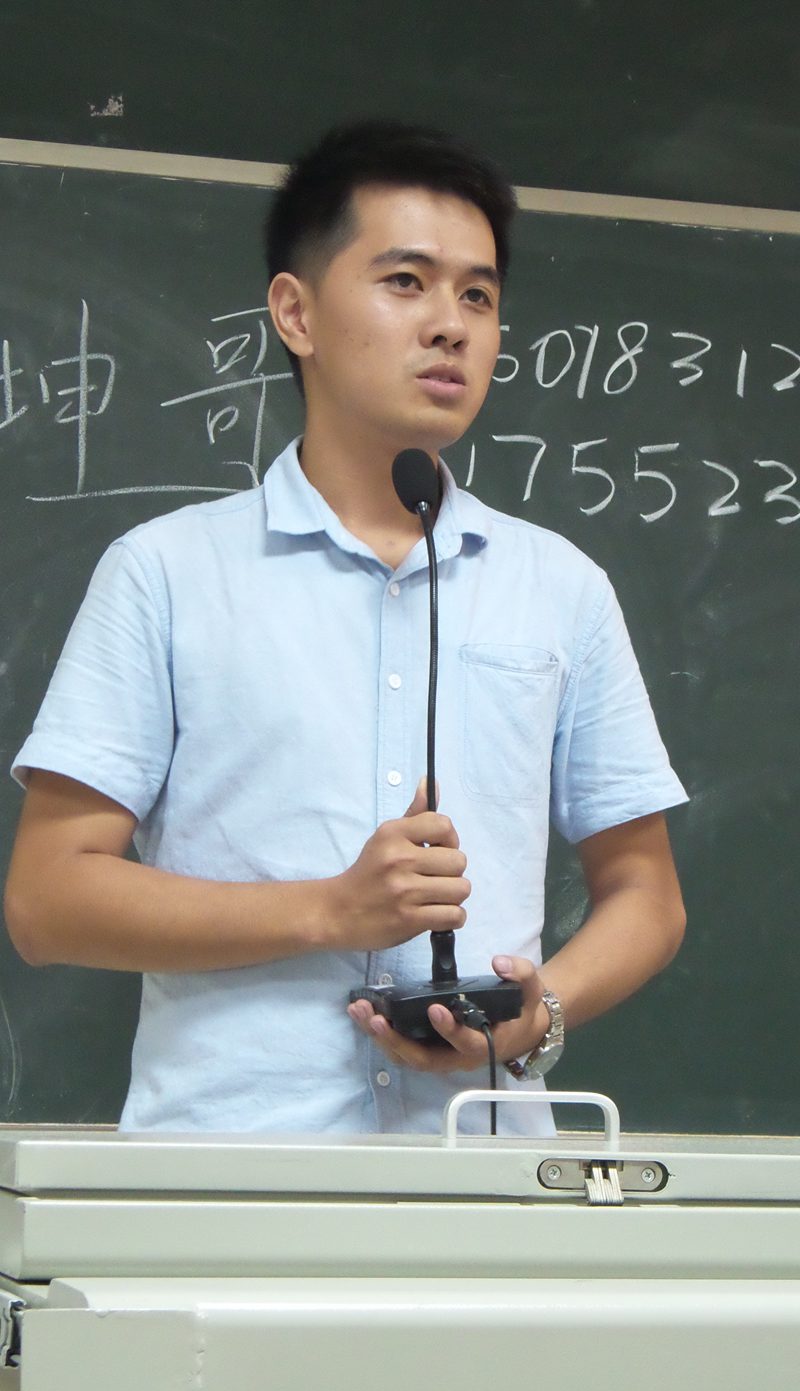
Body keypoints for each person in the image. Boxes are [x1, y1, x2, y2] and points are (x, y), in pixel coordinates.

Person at [4, 122, 687, 1136]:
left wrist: (540, 1013)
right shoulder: (167, 573)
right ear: (297, 313)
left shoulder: (560, 587)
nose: (450, 326)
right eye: (405, 282)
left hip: (483, 1179)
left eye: (478, 296)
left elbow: (646, 893)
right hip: (232, 1181)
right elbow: (48, 901)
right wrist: (330, 909)